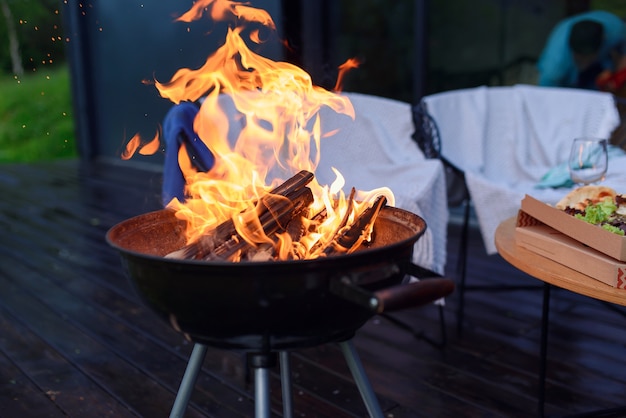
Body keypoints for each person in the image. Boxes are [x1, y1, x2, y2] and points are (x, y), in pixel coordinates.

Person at [537, 10, 626, 90]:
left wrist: (617, 75)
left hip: (599, 70)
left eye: (588, 56)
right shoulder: (554, 66)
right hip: (565, 78)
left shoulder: (617, 30)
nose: (585, 61)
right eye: (580, 57)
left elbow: (623, 58)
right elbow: (546, 97)